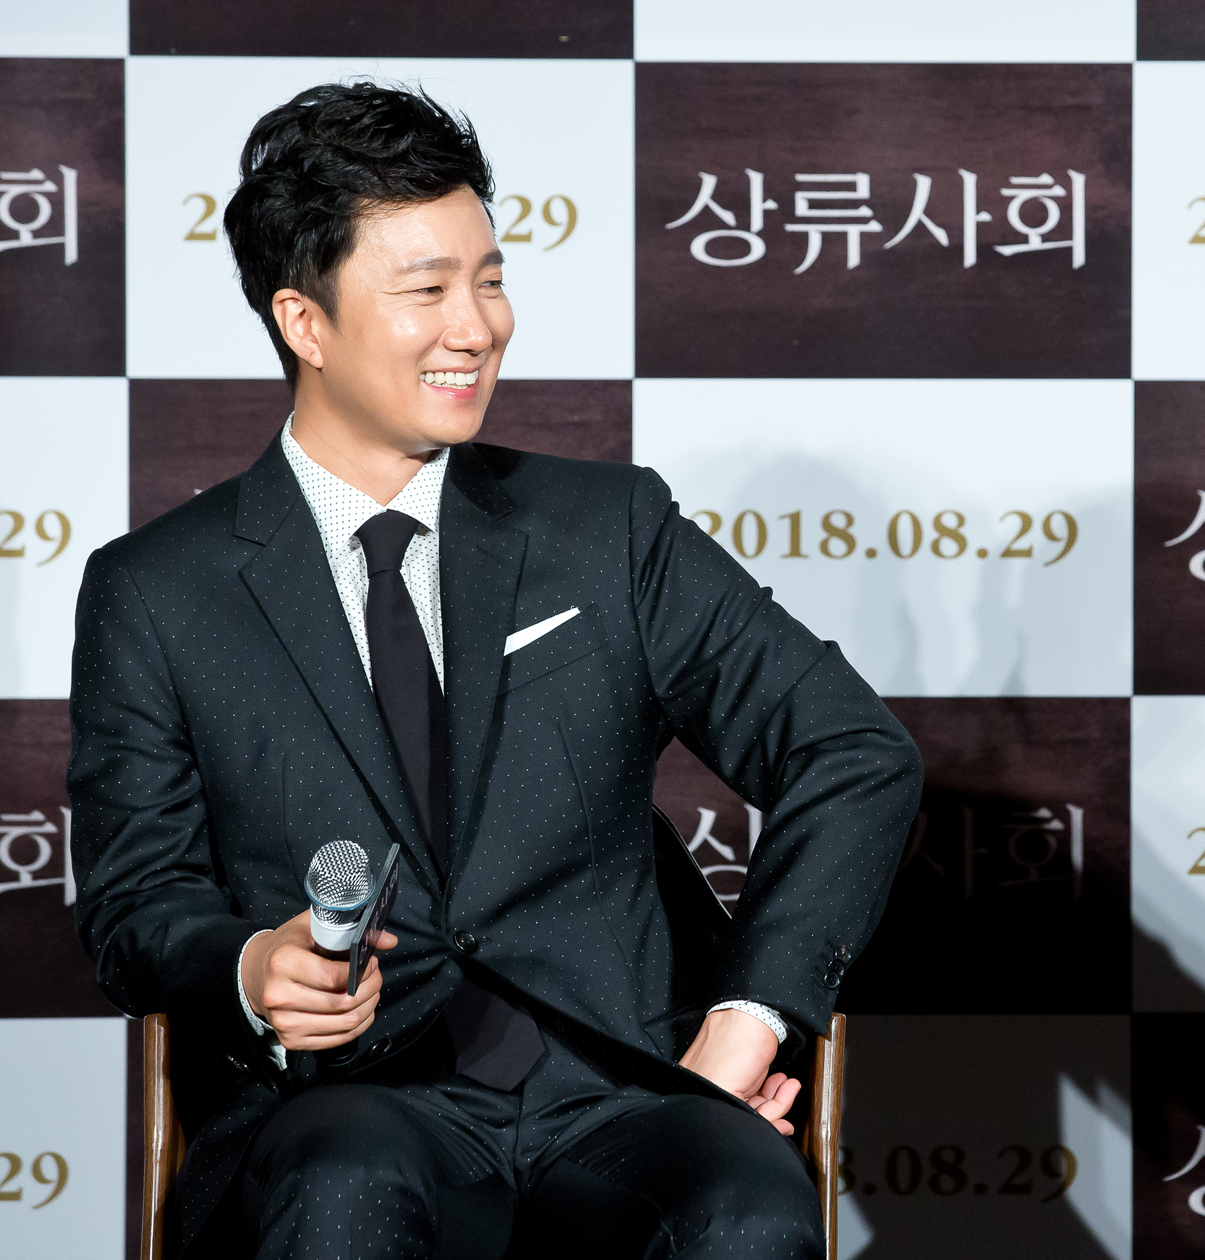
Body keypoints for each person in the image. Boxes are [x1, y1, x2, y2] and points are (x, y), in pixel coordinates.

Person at [68, 80, 923, 1259]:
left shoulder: (608, 529)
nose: (476, 327)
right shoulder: (159, 589)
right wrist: (252, 964)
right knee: (344, 1177)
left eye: (490, 278)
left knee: (742, 1195)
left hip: (619, 1091)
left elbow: (850, 748)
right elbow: (134, 904)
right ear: (303, 321)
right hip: (339, 1103)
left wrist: (745, 1021)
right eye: (426, 291)